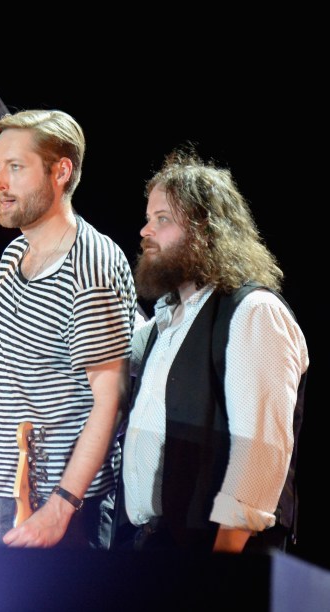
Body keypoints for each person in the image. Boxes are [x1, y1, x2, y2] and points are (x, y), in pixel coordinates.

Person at [114, 150, 309, 553]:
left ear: (205, 228)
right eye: (148, 218)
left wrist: (219, 570)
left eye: (162, 219)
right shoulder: (164, 325)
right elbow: (94, 343)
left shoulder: (252, 311)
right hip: (153, 549)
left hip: (215, 554)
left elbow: (260, 452)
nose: (145, 231)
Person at [0, 109, 137, 550]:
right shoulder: (12, 256)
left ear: (61, 171)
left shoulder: (92, 262)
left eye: (15, 168)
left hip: (61, 507)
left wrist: (61, 507)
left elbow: (111, 401)